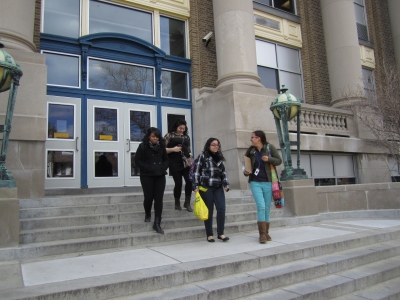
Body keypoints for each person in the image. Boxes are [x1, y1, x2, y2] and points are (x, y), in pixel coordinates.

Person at [244, 130, 282, 243]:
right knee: (261, 206)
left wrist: (269, 159)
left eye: (252, 137)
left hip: (268, 182)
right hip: (255, 181)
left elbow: (279, 161)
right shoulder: (251, 151)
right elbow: (245, 165)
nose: (251, 139)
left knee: (267, 207)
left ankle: (266, 233)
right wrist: (246, 172)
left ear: (258, 138)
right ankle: (262, 235)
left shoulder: (270, 148)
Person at [193, 138, 230, 243]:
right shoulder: (203, 156)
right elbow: (196, 172)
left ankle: (221, 233)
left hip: (218, 187)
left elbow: (223, 173)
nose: (216, 147)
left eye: (217, 145)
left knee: (221, 208)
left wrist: (226, 184)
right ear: (208, 146)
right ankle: (209, 234)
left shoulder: (220, 158)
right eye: (213, 145)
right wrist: (195, 185)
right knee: (208, 211)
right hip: (206, 187)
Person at [135, 127, 169, 234]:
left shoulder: (162, 147)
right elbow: (137, 160)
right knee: (148, 197)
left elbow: (166, 160)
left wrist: (163, 167)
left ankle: (157, 223)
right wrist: (148, 168)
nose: (155, 139)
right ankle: (148, 213)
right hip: (147, 175)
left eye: (157, 137)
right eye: (153, 137)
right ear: (149, 136)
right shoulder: (142, 146)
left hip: (160, 175)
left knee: (159, 199)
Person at [164, 119, 193, 212]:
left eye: (184, 128)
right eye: (180, 128)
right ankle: (177, 203)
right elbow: (162, 149)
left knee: (189, 181)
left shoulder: (186, 137)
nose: (182, 130)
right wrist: (173, 149)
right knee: (178, 183)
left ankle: (187, 203)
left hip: (185, 162)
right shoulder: (169, 135)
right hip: (174, 162)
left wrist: (190, 157)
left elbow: (188, 150)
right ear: (176, 127)